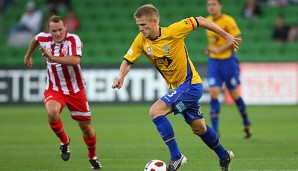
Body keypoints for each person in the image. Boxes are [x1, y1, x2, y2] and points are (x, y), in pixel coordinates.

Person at [112, 4, 241, 171]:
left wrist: (225, 35)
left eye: (143, 25)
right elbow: (128, 60)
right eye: (138, 25)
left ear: (155, 21)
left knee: (155, 111)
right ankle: (224, 155)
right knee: (199, 128)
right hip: (178, 89)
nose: (141, 29)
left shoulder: (173, 31)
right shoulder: (141, 40)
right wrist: (121, 77)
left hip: (191, 85)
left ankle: (176, 156)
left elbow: (200, 20)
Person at [23, 15, 102, 170]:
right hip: (55, 88)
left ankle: (92, 156)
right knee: (52, 113)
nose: (58, 33)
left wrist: (53, 57)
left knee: (86, 128)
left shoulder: (73, 39)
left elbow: (75, 60)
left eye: (60, 29)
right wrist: (28, 55)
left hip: (75, 90)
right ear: (49, 31)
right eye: (54, 31)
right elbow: (35, 39)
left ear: (65, 27)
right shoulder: (43, 38)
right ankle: (65, 141)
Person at [204, 0, 252, 139]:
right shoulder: (207, 21)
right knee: (213, 93)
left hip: (228, 62)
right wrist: (212, 49)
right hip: (214, 62)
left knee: (235, 95)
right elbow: (214, 42)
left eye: (213, 4)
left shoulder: (228, 20)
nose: (211, 7)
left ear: (220, 6)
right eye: (209, 5)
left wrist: (220, 49)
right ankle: (215, 129)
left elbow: (238, 38)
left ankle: (246, 122)